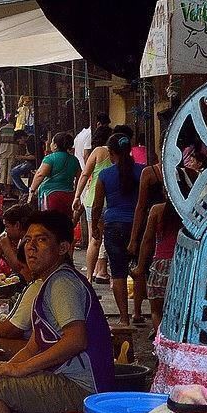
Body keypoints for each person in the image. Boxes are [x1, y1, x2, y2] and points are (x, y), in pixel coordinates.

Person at [0, 211, 113, 413]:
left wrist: (21, 370)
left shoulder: (62, 283)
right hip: (67, 379)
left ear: (63, 248)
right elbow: (33, 346)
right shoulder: (50, 281)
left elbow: (76, 339)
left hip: (81, 387)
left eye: (41, 240)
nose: (31, 248)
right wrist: (8, 367)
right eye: (27, 240)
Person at [91, 133, 144, 326]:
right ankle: (138, 313)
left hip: (113, 226)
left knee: (118, 272)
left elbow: (97, 205)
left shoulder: (105, 175)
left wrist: (96, 226)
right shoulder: (142, 172)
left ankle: (123, 317)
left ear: (112, 153)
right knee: (139, 270)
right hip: (139, 226)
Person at [134, 201, 181, 335]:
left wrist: (140, 267)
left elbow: (147, 240)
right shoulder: (192, 209)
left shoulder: (156, 210)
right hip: (182, 266)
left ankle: (161, 343)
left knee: (156, 311)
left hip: (161, 266)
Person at [72, 136, 113, 284]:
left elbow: (84, 174)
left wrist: (77, 196)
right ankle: (108, 274)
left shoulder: (98, 151)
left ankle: (89, 277)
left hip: (93, 200)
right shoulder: (121, 154)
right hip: (113, 202)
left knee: (94, 240)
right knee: (111, 240)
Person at [29, 132, 81, 218]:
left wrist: (32, 191)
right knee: (65, 223)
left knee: (50, 224)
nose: (50, 144)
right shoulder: (74, 160)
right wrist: (76, 193)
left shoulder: (50, 158)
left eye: (52, 142)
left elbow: (40, 175)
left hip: (51, 196)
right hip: (69, 196)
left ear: (55, 145)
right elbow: (79, 177)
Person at [0, 203, 32, 279]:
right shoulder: (18, 239)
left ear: (17, 225)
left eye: (7, 226)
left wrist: (6, 247)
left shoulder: (30, 241)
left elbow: (20, 270)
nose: (5, 230)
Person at [10, 131, 36, 196]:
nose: (20, 143)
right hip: (30, 162)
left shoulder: (30, 141)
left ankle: (25, 191)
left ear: (22, 138)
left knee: (13, 172)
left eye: (19, 141)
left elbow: (34, 157)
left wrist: (22, 157)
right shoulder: (31, 139)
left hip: (33, 163)